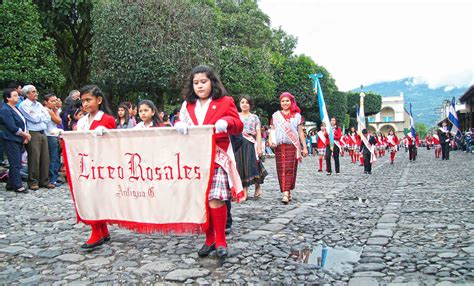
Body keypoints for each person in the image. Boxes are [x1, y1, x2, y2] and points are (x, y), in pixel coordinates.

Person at [174, 65, 244, 259]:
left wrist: (228, 122)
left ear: (212, 82)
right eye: (195, 83)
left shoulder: (225, 101)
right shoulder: (187, 106)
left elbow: (239, 125)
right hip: (195, 158)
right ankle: (209, 239)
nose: (199, 86)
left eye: (203, 81)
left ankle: (221, 240)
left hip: (218, 156)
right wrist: (178, 125)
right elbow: (181, 123)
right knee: (203, 200)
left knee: (216, 198)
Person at [76, 85, 116, 249]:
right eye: (82, 101)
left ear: (99, 100)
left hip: (101, 165)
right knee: (89, 196)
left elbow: (114, 143)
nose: (85, 104)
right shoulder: (82, 121)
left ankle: (97, 232)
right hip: (86, 163)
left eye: (88, 100)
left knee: (96, 197)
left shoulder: (107, 119)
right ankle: (101, 230)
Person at [269, 92, 308, 204]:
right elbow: (272, 130)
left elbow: (300, 133)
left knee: (290, 169)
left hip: (292, 146)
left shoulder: (297, 116)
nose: (285, 103)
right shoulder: (275, 116)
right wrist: (270, 140)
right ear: (280, 103)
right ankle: (286, 191)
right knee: (281, 169)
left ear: (291, 102)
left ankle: (286, 192)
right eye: (283, 101)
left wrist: (304, 147)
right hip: (279, 147)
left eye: (287, 101)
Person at [18, 85, 54, 190]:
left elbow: (47, 118)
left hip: (43, 132)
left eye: (36, 91)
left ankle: (44, 181)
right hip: (33, 133)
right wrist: (40, 116)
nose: (36, 93)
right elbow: (33, 118)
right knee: (34, 158)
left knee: (45, 157)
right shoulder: (24, 105)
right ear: (27, 94)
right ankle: (33, 181)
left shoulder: (38, 104)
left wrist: (40, 116)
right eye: (33, 91)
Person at [234, 95, 267, 200]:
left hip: (250, 142)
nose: (244, 104)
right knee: (240, 166)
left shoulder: (254, 117)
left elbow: (258, 133)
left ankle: (256, 187)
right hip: (238, 143)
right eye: (242, 102)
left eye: (246, 102)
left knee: (251, 165)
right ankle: (243, 190)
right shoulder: (235, 116)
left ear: (250, 105)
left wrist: (259, 147)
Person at [0, 88, 31, 193]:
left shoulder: (14, 108)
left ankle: (10, 183)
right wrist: (24, 134)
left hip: (17, 139)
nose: (17, 97)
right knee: (15, 162)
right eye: (14, 95)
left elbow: (22, 122)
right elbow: (11, 126)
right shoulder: (5, 109)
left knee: (17, 161)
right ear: (7, 98)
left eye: (17, 95)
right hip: (10, 138)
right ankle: (17, 185)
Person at [43, 93, 63, 187]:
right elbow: (58, 121)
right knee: (53, 158)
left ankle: (54, 177)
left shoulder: (52, 110)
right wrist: (55, 112)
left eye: (55, 100)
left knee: (55, 157)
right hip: (50, 135)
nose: (54, 102)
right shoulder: (48, 110)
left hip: (53, 134)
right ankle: (52, 179)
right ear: (45, 102)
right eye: (52, 101)